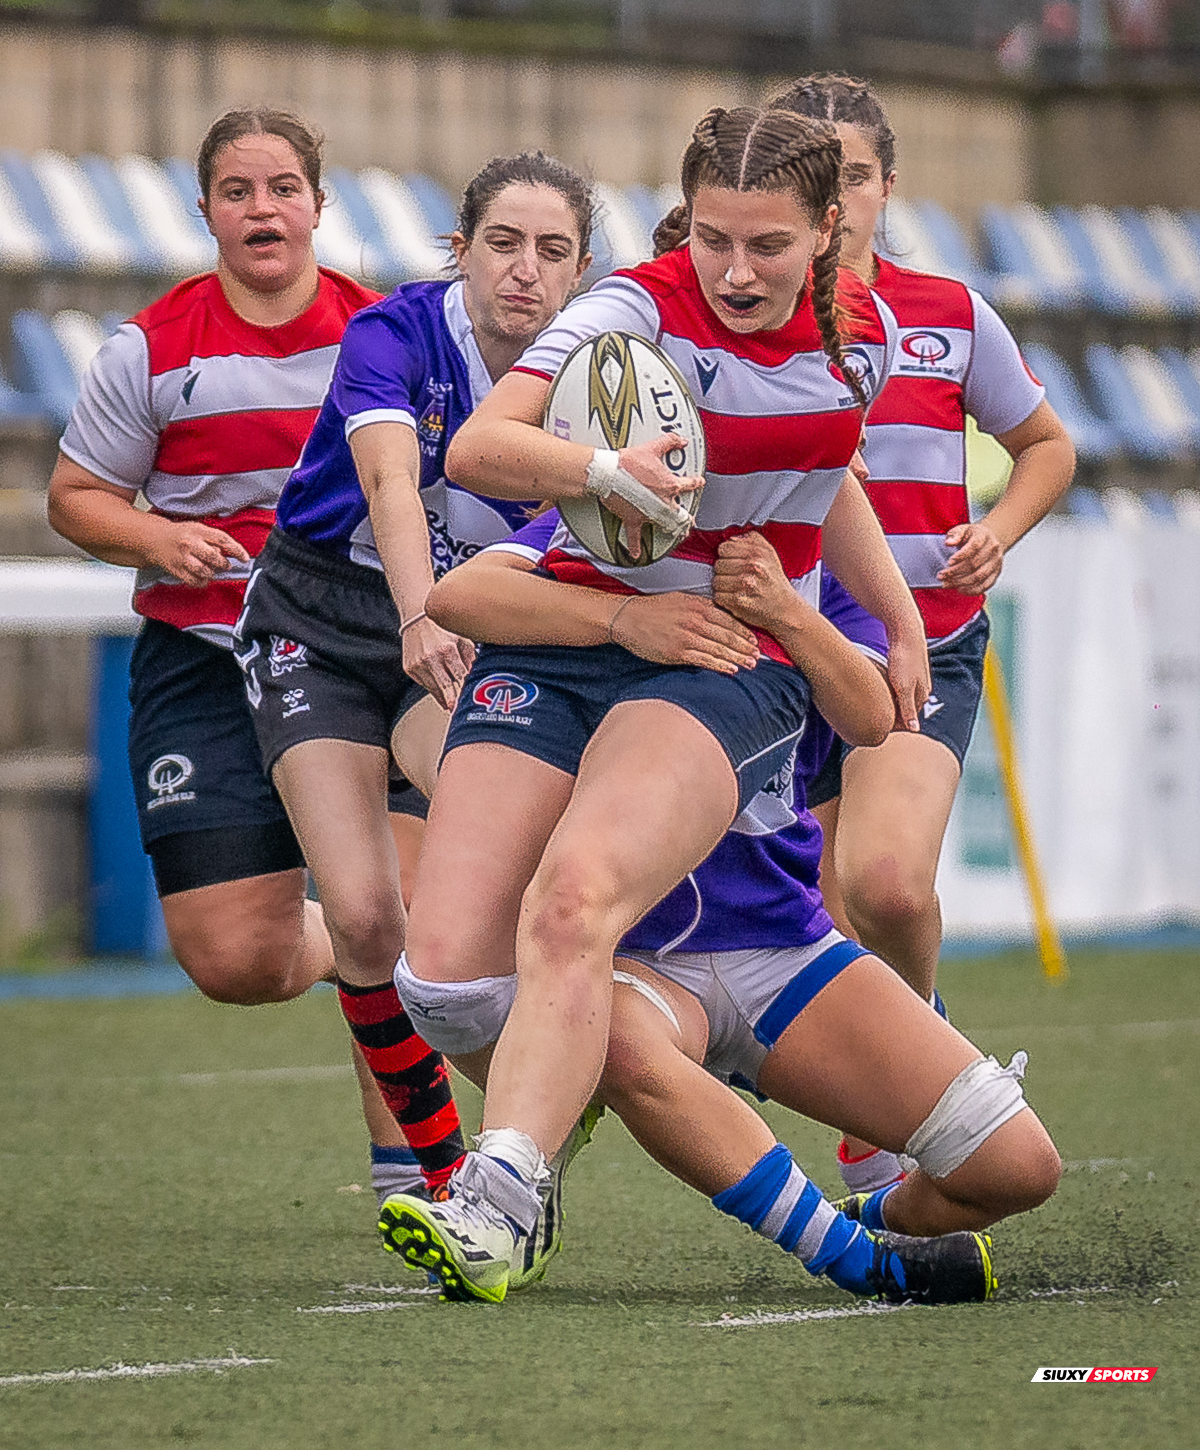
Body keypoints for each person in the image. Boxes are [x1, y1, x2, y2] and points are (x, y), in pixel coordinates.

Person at [385, 104, 934, 1303]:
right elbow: (478, 451)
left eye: (769, 247)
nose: (735, 272)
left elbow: (824, 460)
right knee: (443, 983)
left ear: (829, 232)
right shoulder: (627, 306)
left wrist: (892, 613)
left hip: (718, 658)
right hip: (581, 630)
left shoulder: (868, 343)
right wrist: (599, 472)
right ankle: (562, 1099)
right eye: (715, 241)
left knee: (574, 900)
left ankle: (508, 1189)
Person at [404, 511, 1061, 1303]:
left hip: (780, 941)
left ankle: (867, 1212)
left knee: (1019, 1168)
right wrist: (623, 619)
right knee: (588, 1027)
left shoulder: (833, 578)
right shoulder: (616, 526)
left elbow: (875, 715)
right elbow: (462, 592)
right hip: (636, 960)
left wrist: (784, 609)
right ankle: (844, 1251)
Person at [45, 107, 441, 1192]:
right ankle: (356, 941)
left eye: (281, 188)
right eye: (237, 191)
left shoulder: (389, 334)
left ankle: (425, 1183)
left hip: (366, 657)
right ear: (207, 210)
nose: (262, 210)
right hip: (208, 661)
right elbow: (76, 498)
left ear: (320, 202)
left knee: (391, 916)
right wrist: (159, 536)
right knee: (235, 961)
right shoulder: (152, 349)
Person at [234, 151, 594, 1198]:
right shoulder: (392, 333)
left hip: (471, 628)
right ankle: (436, 1172)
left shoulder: (595, 373)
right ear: (460, 251)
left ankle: (553, 1100)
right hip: (327, 619)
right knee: (362, 915)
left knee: (532, 865)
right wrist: (418, 613)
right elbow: (390, 477)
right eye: (502, 243)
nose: (524, 269)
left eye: (553, 250)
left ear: (581, 273)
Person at [771, 74, 1075, 1193]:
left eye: (853, 175)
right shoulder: (736, 322)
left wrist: (996, 530)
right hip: (779, 647)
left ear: (888, 186)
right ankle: (879, 1113)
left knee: (888, 886)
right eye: (816, 177)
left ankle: (932, 1068)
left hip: (920, 641)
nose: (837, 200)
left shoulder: (948, 314)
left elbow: (1047, 445)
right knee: (819, 902)